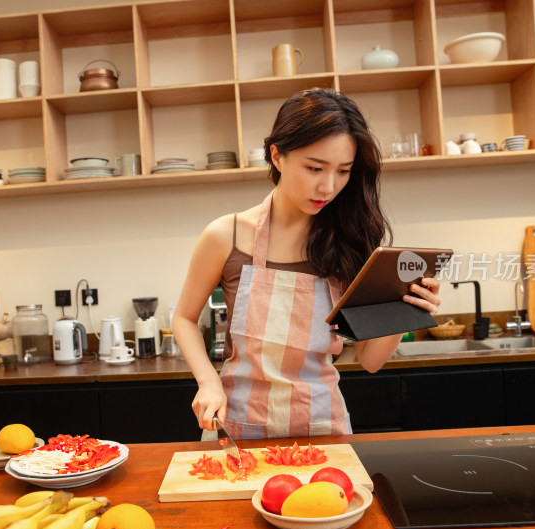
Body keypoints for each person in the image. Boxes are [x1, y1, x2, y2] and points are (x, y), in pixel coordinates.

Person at [172, 88, 440, 440]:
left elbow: (370, 359)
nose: (328, 186)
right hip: (239, 425)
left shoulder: (351, 241)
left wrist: (405, 309)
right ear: (277, 156)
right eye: (315, 167)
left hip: (324, 425)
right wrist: (208, 383)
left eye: (343, 171)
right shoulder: (227, 236)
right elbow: (184, 318)